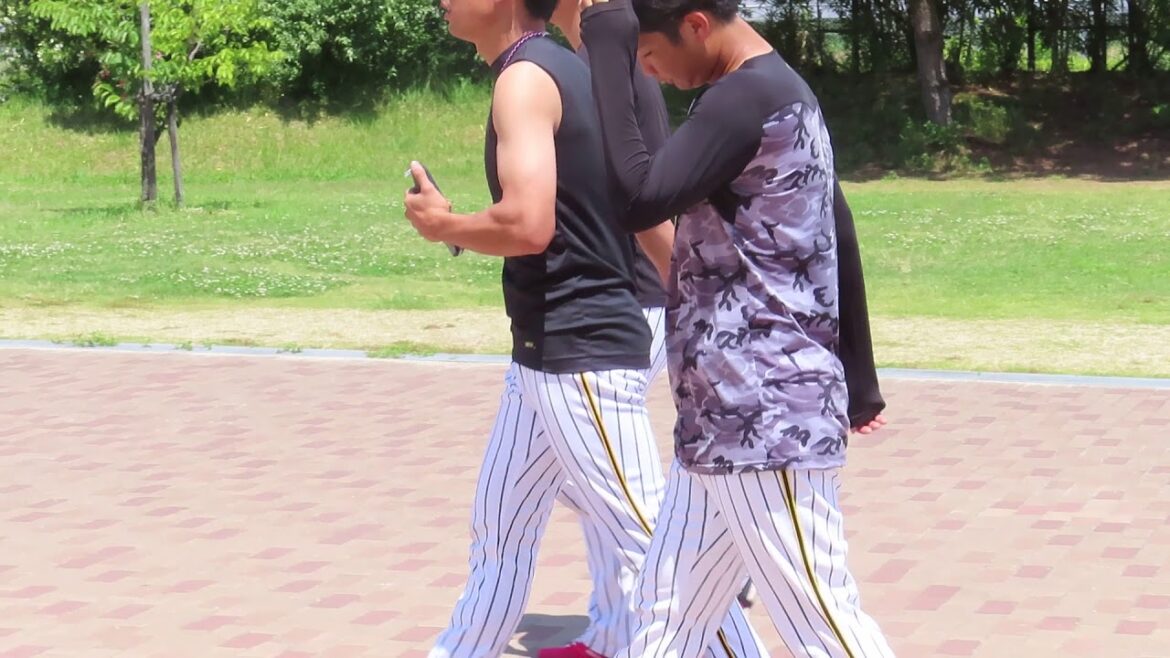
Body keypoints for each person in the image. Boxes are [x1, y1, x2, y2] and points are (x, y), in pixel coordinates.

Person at [402, 0, 765, 655]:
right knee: (500, 534)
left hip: (581, 355)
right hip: (542, 353)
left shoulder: (526, 79)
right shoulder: (562, 67)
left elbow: (528, 224)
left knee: (652, 549)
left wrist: (443, 226)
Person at [579, 0, 898, 655]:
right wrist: (859, 377)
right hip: (723, 421)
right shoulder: (779, 92)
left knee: (825, 628)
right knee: (667, 619)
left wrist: (606, 42)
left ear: (696, 24)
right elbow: (837, 227)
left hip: (763, 417)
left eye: (649, 55)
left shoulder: (743, 101)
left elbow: (638, 197)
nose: (650, 73)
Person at [537, 3, 768, 657]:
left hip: (628, 293)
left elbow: (645, 193)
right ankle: (616, 629)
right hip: (605, 296)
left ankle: (718, 558)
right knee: (585, 474)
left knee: (611, 482)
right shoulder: (585, 59)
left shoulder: (616, 61)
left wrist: (682, 291)